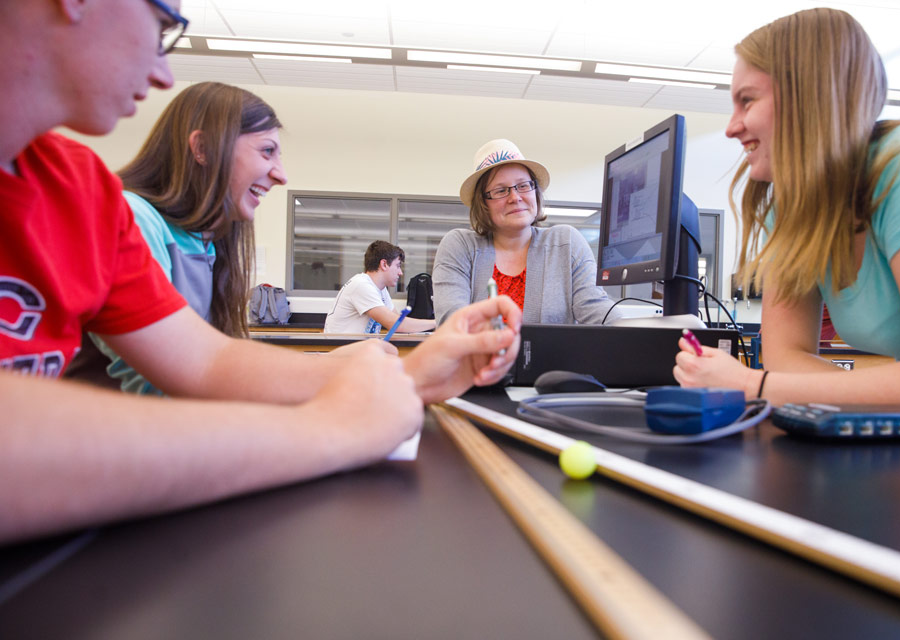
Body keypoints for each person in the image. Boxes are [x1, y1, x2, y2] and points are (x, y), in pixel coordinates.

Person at [0, 0, 521, 545]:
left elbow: (204, 360)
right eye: (162, 31)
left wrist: (408, 377)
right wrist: (331, 428)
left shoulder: (79, 187)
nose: (162, 72)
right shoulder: (127, 210)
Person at [673, 8, 900, 442]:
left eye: (747, 100)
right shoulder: (793, 201)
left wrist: (750, 385)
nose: (731, 127)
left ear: (808, 96)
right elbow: (785, 356)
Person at [65, 81, 289, 393]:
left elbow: (209, 362)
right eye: (267, 151)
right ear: (202, 149)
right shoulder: (134, 218)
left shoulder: (205, 239)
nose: (281, 174)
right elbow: (156, 382)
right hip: (107, 431)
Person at [432, 139, 621, 326]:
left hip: (553, 358)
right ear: (483, 203)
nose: (515, 197)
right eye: (500, 190)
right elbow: (452, 321)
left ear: (535, 191)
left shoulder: (567, 242)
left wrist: (639, 333)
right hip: (479, 357)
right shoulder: (460, 246)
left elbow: (596, 309)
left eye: (523, 186)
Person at [324, 240, 437, 334]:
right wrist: (438, 322)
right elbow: (396, 324)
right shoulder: (361, 285)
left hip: (357, 352)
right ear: (384, 264)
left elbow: (397, 319)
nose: (400, 273)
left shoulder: (380, 289)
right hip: (342, 355)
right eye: (397, 266)